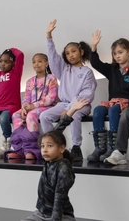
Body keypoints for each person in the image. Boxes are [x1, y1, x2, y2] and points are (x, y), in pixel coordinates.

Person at [39, 19, 97, 162]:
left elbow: (86, 95)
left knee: (75, 116)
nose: (70, 55)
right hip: (63, 104)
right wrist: (48, 36)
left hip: (81, 105)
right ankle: (52, 145)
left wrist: (71, 109)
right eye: (67, 53)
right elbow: (52, 57)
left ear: (81, 52)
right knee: (44, 116)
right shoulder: (64, 69)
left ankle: (76, 147)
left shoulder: (87, 72)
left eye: (73, 51)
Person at [87, 31, 129, 162]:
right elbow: (96, 63)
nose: (117, 56)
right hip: (112, 102)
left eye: (120, 52)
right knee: (98, 111)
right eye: (114, 53)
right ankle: (100, 147)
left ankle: (114, 148)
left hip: (126, 103)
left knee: (113, 111)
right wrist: (94, 47)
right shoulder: (112, 69)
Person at [6, 53, 58, 160]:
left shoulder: (51, 78)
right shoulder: (30, 81)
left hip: (47, 107)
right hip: (31, 107)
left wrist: (33, 106)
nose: (36, 64)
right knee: (16, 115)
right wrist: (25, 107)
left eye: (40, 61)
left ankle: (32, 150)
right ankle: (18, 149)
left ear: (46, 63)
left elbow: (51, 98)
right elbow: (26, 97)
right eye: (34, 62)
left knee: (31, 115)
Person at [21, 131, 76, 221]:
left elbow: (60, 195)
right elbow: (54, 132)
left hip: (61, 215)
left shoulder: (63, 167)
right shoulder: (49, 161)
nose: (44, 149)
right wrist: (67, 118)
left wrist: (55, 218)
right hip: (42, 213)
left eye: (49, 146)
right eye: (42, 146)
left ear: (61, 148)